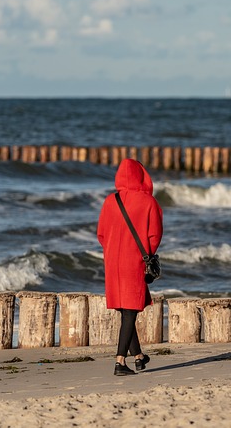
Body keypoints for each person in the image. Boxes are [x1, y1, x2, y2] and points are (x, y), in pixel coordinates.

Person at [97, 159, 163, 376]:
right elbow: (154, 236)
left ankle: (139, 357)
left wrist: (111, 250)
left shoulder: (110, 201)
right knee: (130, 311)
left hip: (113, 262)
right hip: (133, 261)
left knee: (126, 311)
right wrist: (146, 254)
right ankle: (119, 362)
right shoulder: (148, 202)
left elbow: (101, 234)